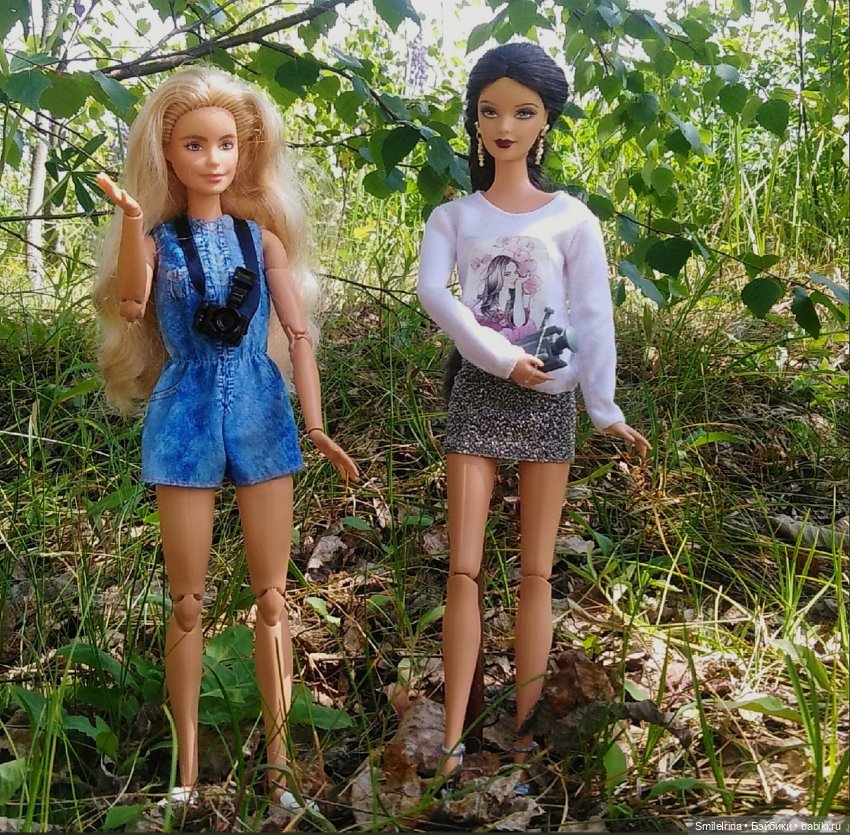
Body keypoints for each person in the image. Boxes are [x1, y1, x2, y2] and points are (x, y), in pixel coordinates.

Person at [92, 67, 358, 806]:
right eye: (194, 144)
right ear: (166, 154)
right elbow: (132, 302)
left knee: (273, 597)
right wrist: (130, 221)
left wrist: (316, 425)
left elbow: (298, 336)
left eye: (226, 144)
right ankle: (184, 777)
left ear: (245, 152)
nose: (213, 159)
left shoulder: (260, 240)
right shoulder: (158, 241)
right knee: (187, 601)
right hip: (184, 413)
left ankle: (280, 769)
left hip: (261, 408)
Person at [416, 42, 651, 789]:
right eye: (491, 111)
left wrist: (602, 405)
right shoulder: (454, 217)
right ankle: (453, 738)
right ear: (474, 119)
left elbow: (593, 312)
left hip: (549, 394)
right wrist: (498, 356)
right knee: (464, 568)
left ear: (546, 120)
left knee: (537, 573)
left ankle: (521, 739)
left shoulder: (571, 218)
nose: (505, 126)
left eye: (523, 112)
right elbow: (437, 295)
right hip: (480, 392)